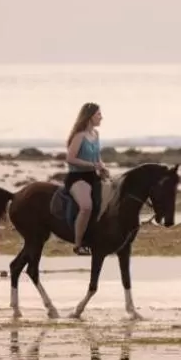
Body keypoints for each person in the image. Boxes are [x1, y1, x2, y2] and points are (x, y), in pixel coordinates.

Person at [64, 102, 107, 255]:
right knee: (86, 206)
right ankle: (78, 244)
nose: (101, 117)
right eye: (99, 114)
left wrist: (102, 167)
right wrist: (92, 165)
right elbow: (70, 158)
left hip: (93, 176)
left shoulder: (96, 135)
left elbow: (98, 157)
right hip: (77, 177)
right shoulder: (79, 136)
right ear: (90, 117)